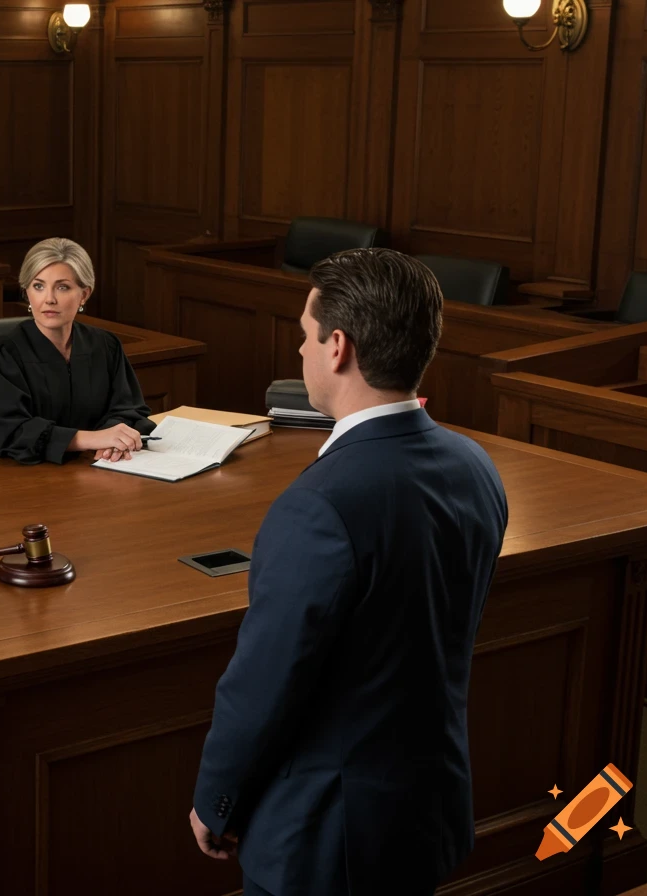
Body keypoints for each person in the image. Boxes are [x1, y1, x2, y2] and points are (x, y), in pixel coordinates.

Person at [189, 248, 509, 896]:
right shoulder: (475, 467)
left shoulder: (319, 505)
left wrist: (216, 800)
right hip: (426, 808)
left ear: (338, 348)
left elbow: (265, 683)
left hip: (326, 838)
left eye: (306, 336)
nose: (300, 350)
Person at [0, 237, 153, 463]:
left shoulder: (105, 346)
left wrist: (114, 440)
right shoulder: (4, 354)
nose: (49, 299)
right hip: (21, 474)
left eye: (62, 287)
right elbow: (6, 431)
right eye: (38, 286)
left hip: (96, 465)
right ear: (27, 292)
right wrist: (91, 439)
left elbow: (128, 409)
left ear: (84, 294)